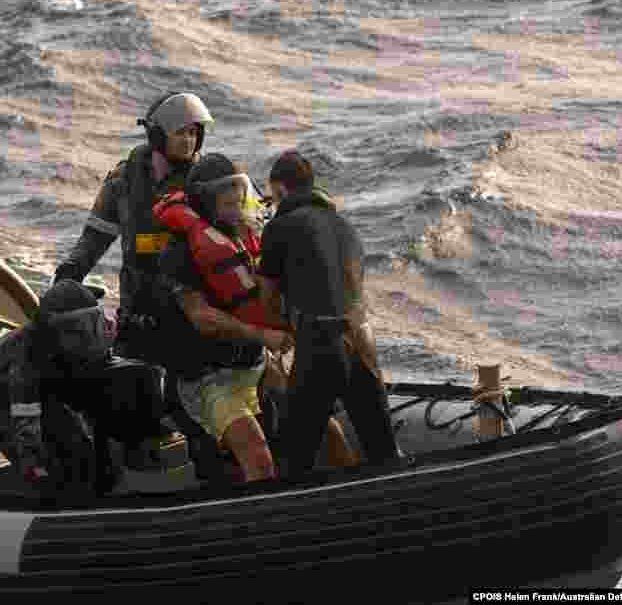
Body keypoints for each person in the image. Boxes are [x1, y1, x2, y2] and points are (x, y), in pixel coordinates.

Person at [0, 280, 172, 498]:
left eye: (90, 324)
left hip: (49, 381)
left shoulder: (93, 334)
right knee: (65, 450)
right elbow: (26, 420)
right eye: (74, 329)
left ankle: (129, 464)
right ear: (51, 328)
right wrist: (36, 467)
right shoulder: (26, 359)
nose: (84, 334)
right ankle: (55, 496)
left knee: (137, 375)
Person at [257, 150, 400, 479]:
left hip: (320, 344)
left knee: (295, 460)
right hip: (363, 340)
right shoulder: (345, 225)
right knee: (384, 453)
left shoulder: (280, 226)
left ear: (279, 189)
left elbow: (267, 300)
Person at [157, 153, 293, 483]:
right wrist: (263, 336)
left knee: (317, 424)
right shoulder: (178, 252)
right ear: (205, 200)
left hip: (256, 363)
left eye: (238, 193)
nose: (237, 203)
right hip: (210, 377)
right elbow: (201, 316)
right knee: (258, 460)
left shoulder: (242, 237)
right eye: (227, 197)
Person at [52, 91, 214, 365]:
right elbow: (92, 242)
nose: (189, 141)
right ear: (158, 136)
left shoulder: (210, 181)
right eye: (180, 133)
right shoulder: (125, 180)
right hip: (138, 318)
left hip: (192, 319)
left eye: (193, 133)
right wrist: (66, 280)